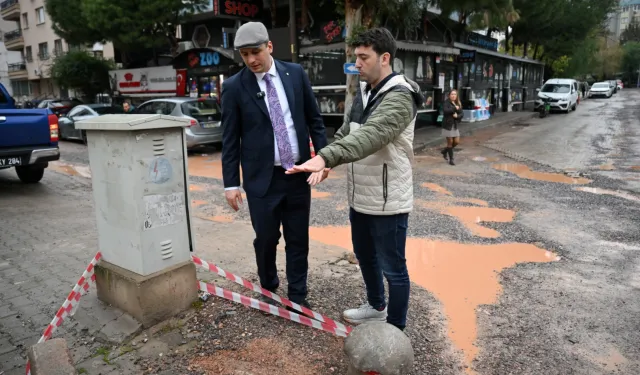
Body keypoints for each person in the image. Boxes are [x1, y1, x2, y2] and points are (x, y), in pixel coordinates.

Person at [286, 27, 423, 331]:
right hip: (360, 195)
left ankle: (395, 331)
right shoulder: (363, 91)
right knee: (364, 255)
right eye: (355, 57)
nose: (357, 63)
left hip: (389, 200)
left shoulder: (401, 97)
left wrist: (326, 157)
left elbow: (373, 135)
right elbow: (348, 132)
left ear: (385, 58)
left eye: (363, 57)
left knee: (394, 268)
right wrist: (327, 160)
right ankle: (376, 307)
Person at [220, 22, 328, 309]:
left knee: (298, 238)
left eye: (255, 51)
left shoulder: (296, 74)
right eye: (244, 55)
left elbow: (315, 121)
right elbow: (230, 139)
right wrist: (231, 184)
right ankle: (268, 288)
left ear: (270, 46)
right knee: (266, 239)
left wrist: (325, 159)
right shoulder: (233, 88)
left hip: (298, 174)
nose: (251, 59)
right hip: (261, 180)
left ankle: (298, 296)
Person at [440, 90, 463, 165]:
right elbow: (445, 111)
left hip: (455, 125)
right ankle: (451, 159)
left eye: (455, 94)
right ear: (449, 95)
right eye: (452, 94)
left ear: (456, 96)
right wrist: (454, 108)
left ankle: (445, 151)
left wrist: (457, 116)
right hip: (447, 125)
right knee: (450, 142)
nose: (453, 95)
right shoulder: (446, 103)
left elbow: (462, 114)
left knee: (456, 142)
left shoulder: (458, 103)